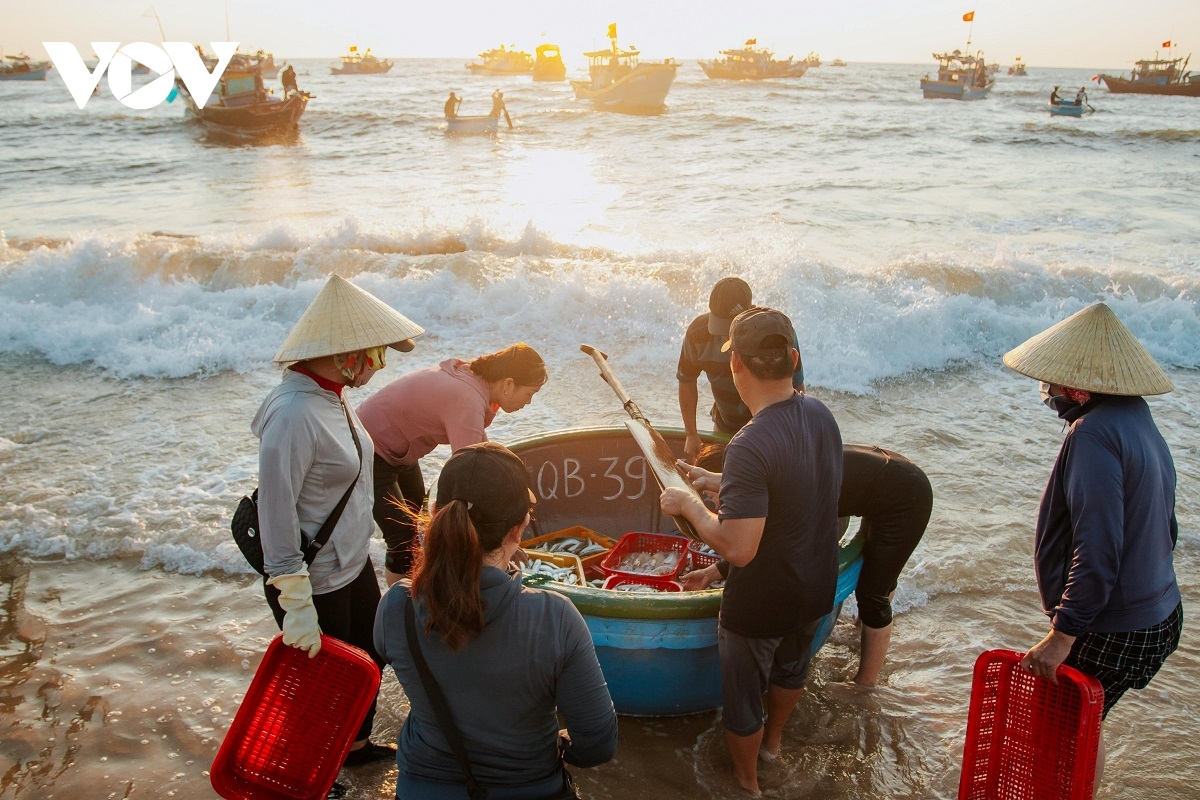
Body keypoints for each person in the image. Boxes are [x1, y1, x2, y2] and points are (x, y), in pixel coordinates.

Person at [661, 307, 842, 796]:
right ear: (794, 358)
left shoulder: (749, 442)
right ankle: (773, 747)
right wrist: (722, 482)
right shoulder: (820, 413)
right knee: (792, 667)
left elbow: (739, 548)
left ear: (735, 365)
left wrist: (692, 504)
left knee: (742, 701)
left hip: (763, 601)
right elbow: (795, 488)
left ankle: (748, 785)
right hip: (816, 585)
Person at [1004, 302, 1182, 794]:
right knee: (1084, 718)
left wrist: (1064, 633)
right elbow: (1169, 527)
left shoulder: (1093, 435)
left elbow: (1098, 548)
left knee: (1057, 730)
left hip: (1119, 625)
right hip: (1161, 614)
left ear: (1076, 387)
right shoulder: (1137, 417)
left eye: (1052, 385)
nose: (1048, 394)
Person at [374, 442, 618, 799]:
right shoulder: (555, 617)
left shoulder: (397, 606)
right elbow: (598, 743)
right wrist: (566, 748)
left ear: (438, 516)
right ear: (518, 531)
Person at [253, 275, 425, 778]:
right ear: (347, 354)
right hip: (314, 578)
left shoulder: (331, 395)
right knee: (322, 680)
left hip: (351, 564)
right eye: (378, 353)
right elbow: (276, 509)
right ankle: (310, 768)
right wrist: (294, 597)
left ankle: (352, 747)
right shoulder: (294, 413)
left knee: (371, 656)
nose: (381, 364)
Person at [682, 444, 933, 688]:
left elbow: (762, 543)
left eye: (710, 494)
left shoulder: (764, 490)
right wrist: (710, 573)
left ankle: (866, 683)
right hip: (889, 476)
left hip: (906, 496)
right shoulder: (764, 470)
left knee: (872, 593)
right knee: (877, 569)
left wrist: (715, 569)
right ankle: (861, 632)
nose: (714, 504)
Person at [357, 344, 548, 585]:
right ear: (508, 384)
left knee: (417, 523)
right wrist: (502, 543)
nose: (529, 402)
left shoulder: (479, 383)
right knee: (402, 537)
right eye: (530, 393)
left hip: (399, 449)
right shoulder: (468, 400)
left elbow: (483, 452)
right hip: (369, 447)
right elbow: (471, 475)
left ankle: (417, 592)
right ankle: (403, 608)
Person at [678, 277, 805, 461]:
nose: (725, 337)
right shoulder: (697, 333)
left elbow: (796, 388)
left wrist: (794, 437)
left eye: (730, 327)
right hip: (725, 423)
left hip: (769, 427)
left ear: (750, 310)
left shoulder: (777, 334)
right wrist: (691, 433)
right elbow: (686, 379)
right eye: (720, 327)